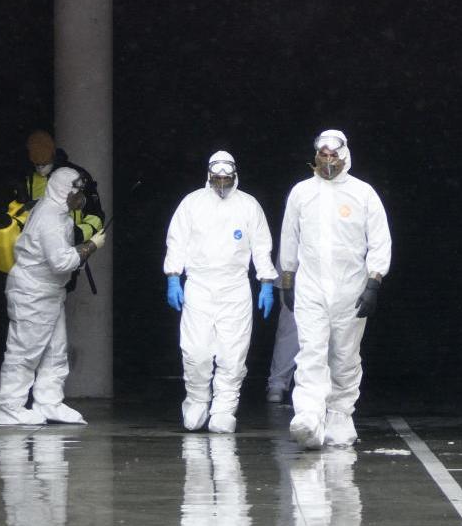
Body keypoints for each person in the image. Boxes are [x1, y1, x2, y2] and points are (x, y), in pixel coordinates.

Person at [280, 130, 391, 449]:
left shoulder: (363, 194)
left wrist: (374, 281)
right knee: (311, 351)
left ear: (345, 156)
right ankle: (309, 416)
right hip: (311, 287)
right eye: (322, 155)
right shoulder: (302, 193)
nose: (328, 162)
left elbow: (380, 240)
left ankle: (340, 415)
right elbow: (290, 236)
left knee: (344, 355)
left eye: (334, 156)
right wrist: (287, 278)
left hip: (351, 289)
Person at [164, 150, 277, 434]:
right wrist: (173, 277)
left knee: (232, 353)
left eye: (227, 178)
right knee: (196, 350)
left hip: (235, 286)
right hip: (199, 285)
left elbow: (262, 245)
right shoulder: (192, 203)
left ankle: (225, 407)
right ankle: (196, 402)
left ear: (235, 176)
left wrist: (265, 282)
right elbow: (176, 241)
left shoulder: (248, 205)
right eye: (218, 178)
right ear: (209, 176)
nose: (223, 183)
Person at [0, 167, 107, 425]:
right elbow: (60, 262)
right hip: (32, 292)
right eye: (75, 189)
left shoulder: (56, 212)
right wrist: (91, 246)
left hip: (48, 292)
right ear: (62, 189)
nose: (80, 195)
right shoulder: (50, 219)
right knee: (25, 351)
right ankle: (8, 407)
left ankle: (49, 402)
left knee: (55, 351)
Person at [14, 130, 105, 245]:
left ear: (53, 155)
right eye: (37, 164)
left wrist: (77, 233)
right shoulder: (26, 179)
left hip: (71, 252)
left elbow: (96, 217)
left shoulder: (76, 177)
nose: (41, 168)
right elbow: (18, 216)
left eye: (45, 163)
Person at [265, 263, 298, 404]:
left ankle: (329, 384)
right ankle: (278, 382)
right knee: (289, 328)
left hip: (336, 271)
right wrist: (287, 282)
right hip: (297, 270)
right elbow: (288, 244)